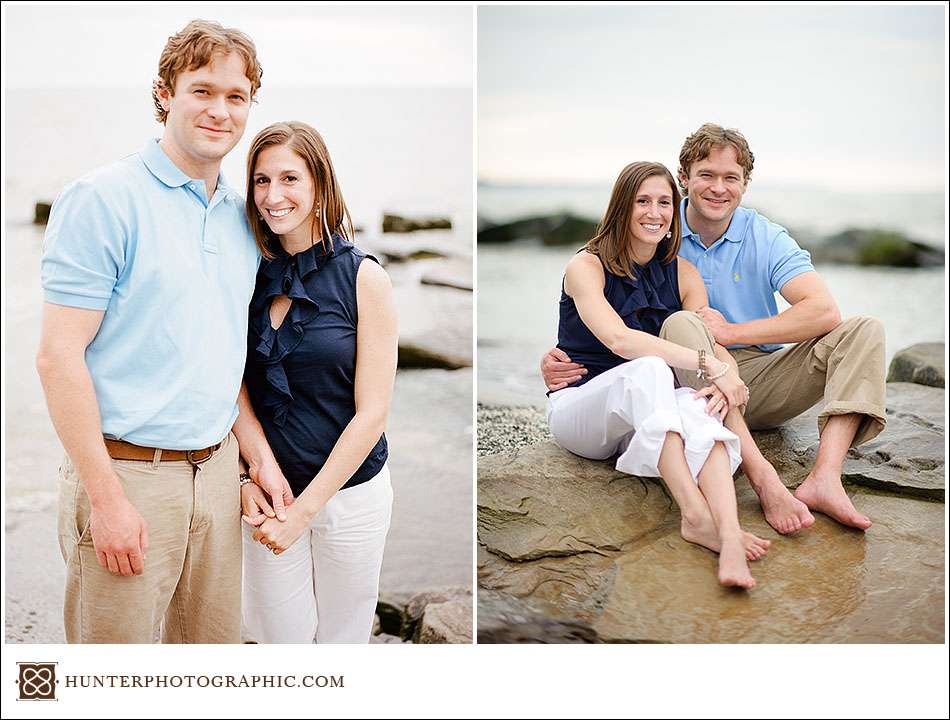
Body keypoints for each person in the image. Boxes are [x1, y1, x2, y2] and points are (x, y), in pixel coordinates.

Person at [36, 20, 288, 643]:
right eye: (202, 91)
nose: (220, 111)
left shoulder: (243, 217)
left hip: (218, 478)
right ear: (165, 94)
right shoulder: (101, 199)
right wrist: (106, 499)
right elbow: (57, 359)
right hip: (128, 477)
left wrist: (248, 463)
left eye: (236, 97)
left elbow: (218, 356)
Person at [542, 123, 886, 533]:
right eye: (706, 175)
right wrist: (553, 358)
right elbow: (606, 312)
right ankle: (762, 478)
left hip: (752, 375)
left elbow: (824, 313)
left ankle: (825, 478)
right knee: (684, 322)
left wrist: (733, 335)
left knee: (865, 329)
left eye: (731, 178)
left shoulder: (765, 237)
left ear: (745, 184)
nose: (718, 188)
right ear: (684, 179)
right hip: (685, 379)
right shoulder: (656, 233)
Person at [547, 161, 770, 589]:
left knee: (700, 406)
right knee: (648, 367)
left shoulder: (684, 274)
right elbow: (619, 340)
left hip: (649, 416)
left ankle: (725, 530)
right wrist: (710, 366)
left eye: (665, 202)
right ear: (621, 208)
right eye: (642, 201)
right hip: (582, 412)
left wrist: (726, 376)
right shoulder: (586, 266)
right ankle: (695, 514)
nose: (655, 212)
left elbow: (711, 341)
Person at [236, 122, 398, 643]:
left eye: (289, 178)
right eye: (261, 181)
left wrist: (305, 512)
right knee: (279, 646)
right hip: (268, 496)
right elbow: (228, 382)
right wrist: (247, 476)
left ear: (320, 185)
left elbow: (373, 413)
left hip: (351, 497)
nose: (273, 195)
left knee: (343, 646)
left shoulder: (364, 277)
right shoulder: (244, 273)